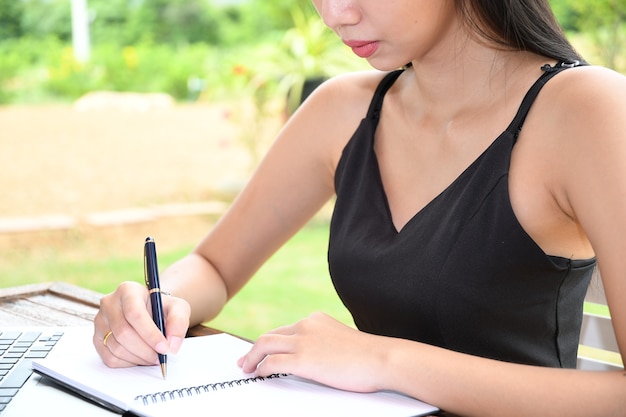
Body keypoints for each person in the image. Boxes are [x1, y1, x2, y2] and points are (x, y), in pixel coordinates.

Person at [93, 1, 626, 416]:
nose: (334, 15)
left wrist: (380, 359)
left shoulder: (586, 111)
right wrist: (154, 304)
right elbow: (215, 266)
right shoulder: (342, 109)